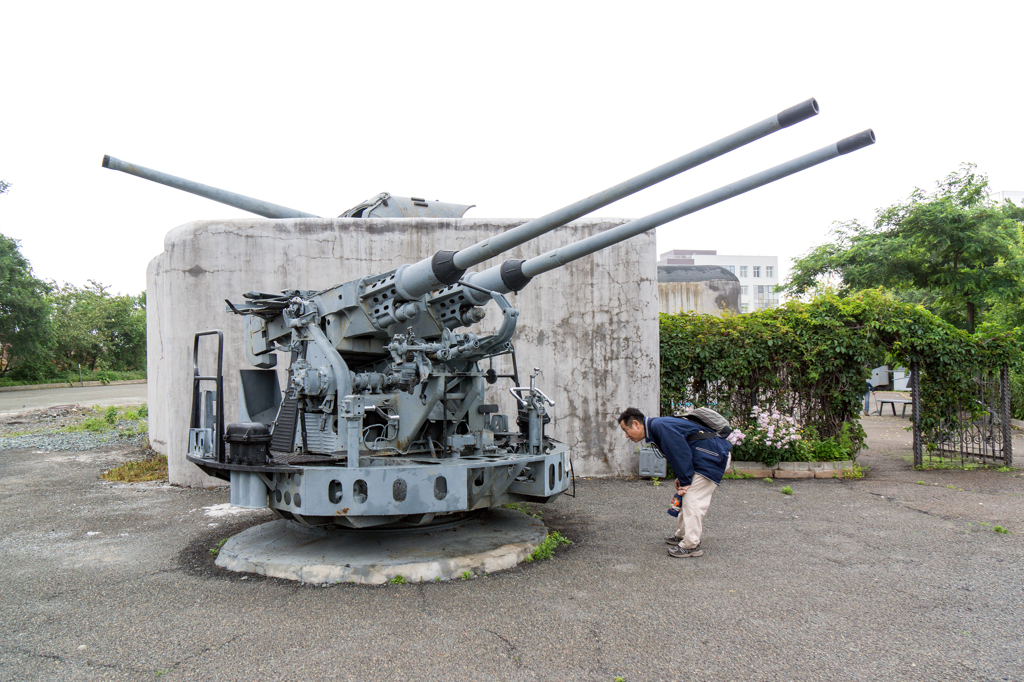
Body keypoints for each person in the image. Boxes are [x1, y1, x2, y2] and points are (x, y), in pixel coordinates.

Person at [618, 407, 731, 558]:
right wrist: (682, 477)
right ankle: (683, 534)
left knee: (692, 499)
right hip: (707, 456)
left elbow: (679, 452)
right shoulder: (658, 426)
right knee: (688, 497)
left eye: (626, 430)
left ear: (637, 424)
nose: (626, 436)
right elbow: (680, 450)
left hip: (711, 458)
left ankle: (691, 545)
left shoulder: (660, 426)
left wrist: (685, 480)